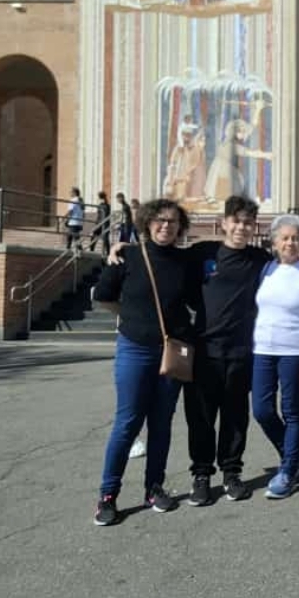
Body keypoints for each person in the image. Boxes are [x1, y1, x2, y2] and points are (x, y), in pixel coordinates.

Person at [91, 198, 199, 526]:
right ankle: (107, 496)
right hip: (135, 349)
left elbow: (196, 298)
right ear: (147, 223)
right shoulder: (128, 256)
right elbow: (102, 296)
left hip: (172, 349)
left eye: (172, 221)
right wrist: (129, 318)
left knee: (162, 423)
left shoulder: (185, 261)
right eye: (160, 221)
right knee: (128, 422)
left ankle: (154, 488)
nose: (166, 226)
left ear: (181, 227)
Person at [184, 195, 273, 506]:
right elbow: (162, 258)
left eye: (248, 222)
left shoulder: (260, 259)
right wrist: (122, 248)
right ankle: (201, 475)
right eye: (236, 221)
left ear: (254, 226)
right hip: (204, 351)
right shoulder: (202, 253)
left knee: (235, 416)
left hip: (242, 351)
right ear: (224, 223)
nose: (241, 227)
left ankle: (231, 473)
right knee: (201, 417)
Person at [251, 214, 299, 499]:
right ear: (275, 241)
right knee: (262, 410)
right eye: (285, 238)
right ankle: (292, 457)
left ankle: (288, 471)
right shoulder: (266, 269)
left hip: (295, 352)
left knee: (291, 411)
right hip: (263, 350)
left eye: (295, 238)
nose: (290, 243)